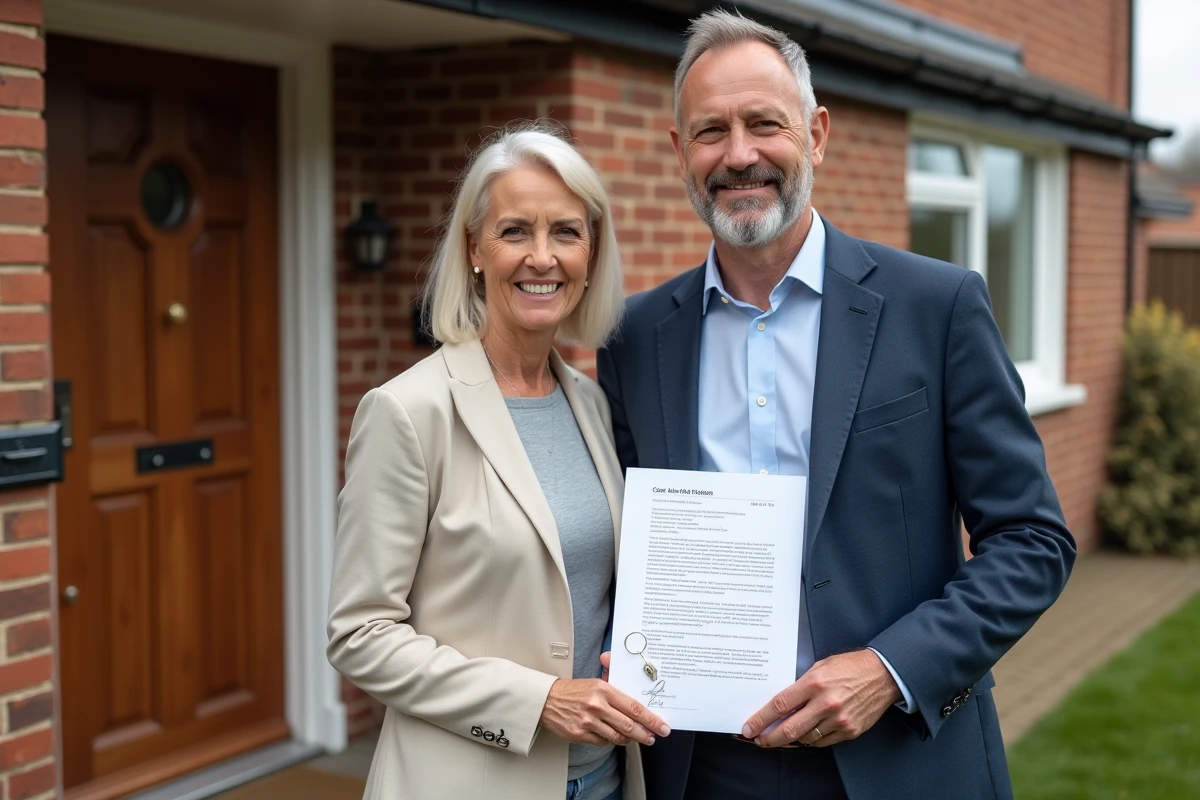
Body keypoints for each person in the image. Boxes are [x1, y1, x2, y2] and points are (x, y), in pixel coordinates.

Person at [596, 10, 1075, 800]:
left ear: (816, 133)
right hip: (703, 767)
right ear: (680, 153)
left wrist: (890, 670)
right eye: (711, 130)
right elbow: (626, 539)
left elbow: (1033, 539)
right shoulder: (636, 336)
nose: (739, 154)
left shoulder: (937, 306)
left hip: (901, 759)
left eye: (764, 123)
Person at [328, 124, 669, 800]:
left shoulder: (592, 405)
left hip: (604, 779)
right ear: (475, 250)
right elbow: (360, 633)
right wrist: (538, 700)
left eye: (566, 233)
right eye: (515, 231)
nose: (542, 258)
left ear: (592, 253)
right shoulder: (408, 411)